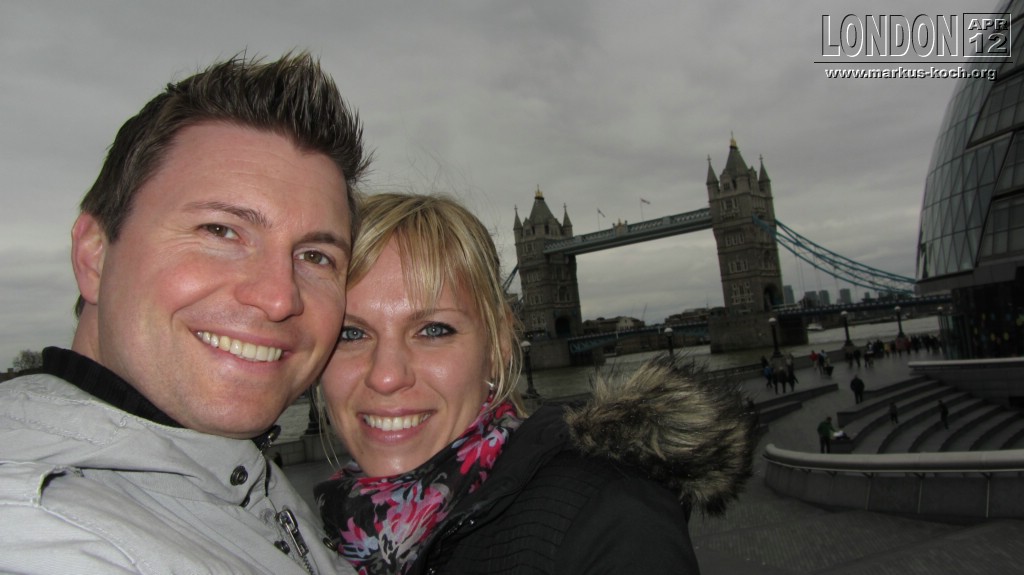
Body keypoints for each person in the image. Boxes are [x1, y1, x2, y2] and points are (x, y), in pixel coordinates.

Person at [0, 53, 371, 574]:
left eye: (315, 256)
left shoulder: (234, 472)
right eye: (220, 231)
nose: (279, 297)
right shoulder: (41, 533)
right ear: (95, 256)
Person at [314, 193, 756, 575]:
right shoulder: (305, 536)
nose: (386, 375)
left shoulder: (610, 521)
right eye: (350, 333)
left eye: (434, 330)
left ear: (500, 345)